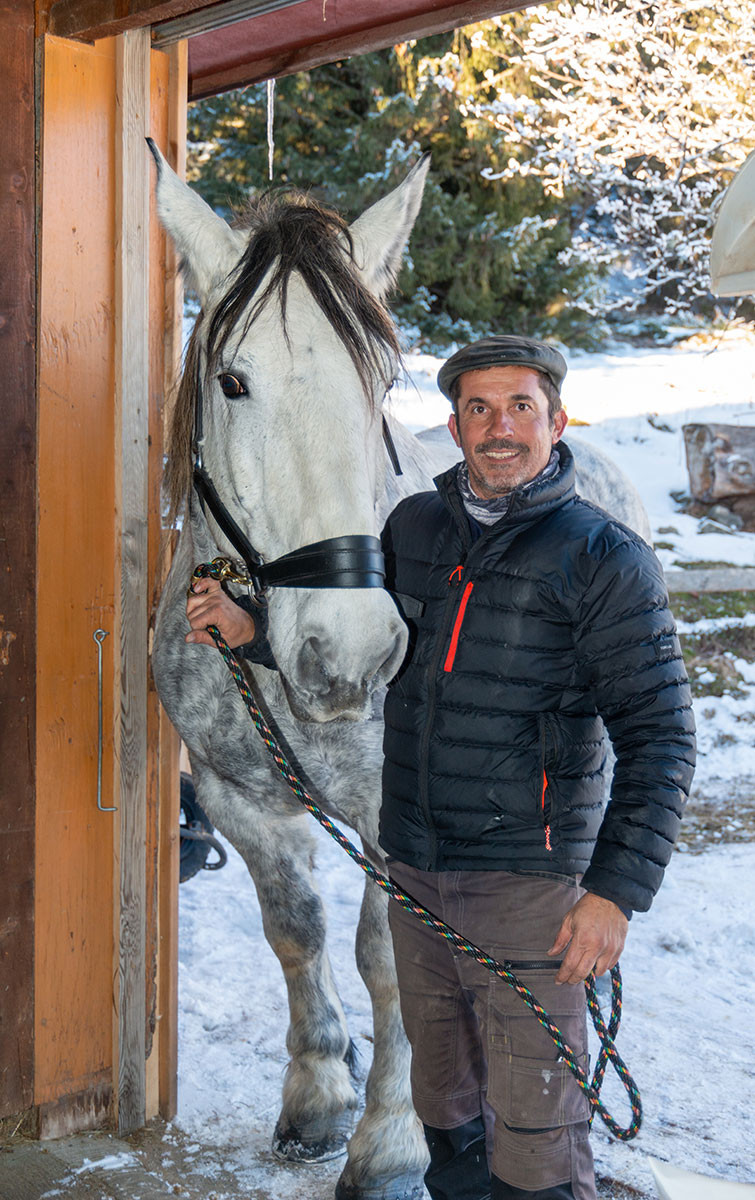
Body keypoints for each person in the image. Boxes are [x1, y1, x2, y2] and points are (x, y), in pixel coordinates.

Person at [186, 336, 696, 1200]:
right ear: (453, 426)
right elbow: (377, 657)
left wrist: (612, 894)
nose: (500, 429)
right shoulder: (413, 528)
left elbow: (660, 737)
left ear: (556, 420)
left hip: (526, 885)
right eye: (479, 409)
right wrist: (255, 634)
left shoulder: (604, 559)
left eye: (520, 408)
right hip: (415, 873)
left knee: (535, 1131)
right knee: (444, 1109)